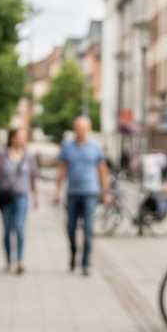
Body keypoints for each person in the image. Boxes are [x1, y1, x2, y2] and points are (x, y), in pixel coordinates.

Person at [55, 115, 112, 276]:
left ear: (88, 129)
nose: (80, 131)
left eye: (83, 128)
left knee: (88, 229)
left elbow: (103, 171)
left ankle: (86, 263)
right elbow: (62, 169)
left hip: (90, 193)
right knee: (71, 228)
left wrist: (106, 192)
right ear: (75, 129)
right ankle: (74, 254)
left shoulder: (95, 147)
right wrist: (56, 191)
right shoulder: (68, 147)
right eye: (78, 128)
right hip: (72, 193)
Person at [0, 127, 39, 274]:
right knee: (7, 230)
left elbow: (33, 178)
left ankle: (20, 261)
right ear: (12, 138)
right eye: (20, 136)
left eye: (24, 137)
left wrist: (35, 196)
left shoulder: (29, 156)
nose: (22, 140)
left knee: (19, 227)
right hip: (5, 196)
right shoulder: (2, 155)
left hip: (22, 196)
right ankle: (9, 261)